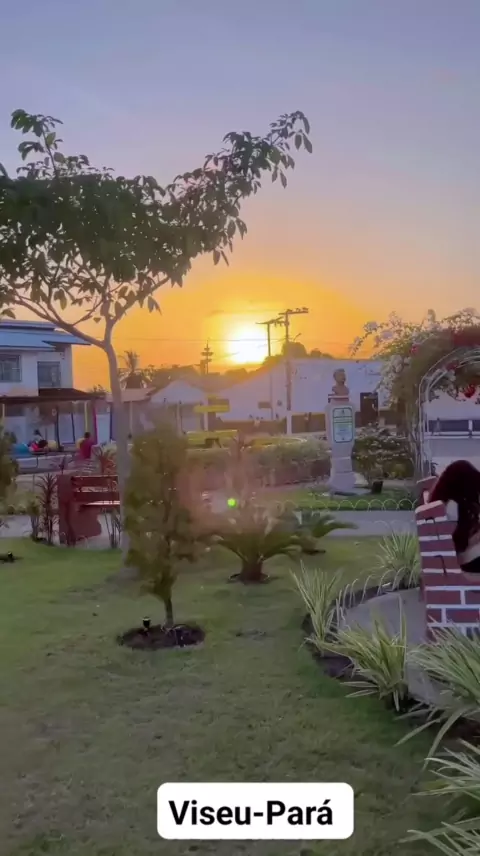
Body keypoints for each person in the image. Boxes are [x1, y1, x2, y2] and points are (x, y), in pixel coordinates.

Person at [430, 460, 480, 572]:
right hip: (463, 562)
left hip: (456, 557)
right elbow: (461, 543)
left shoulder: (442, 504)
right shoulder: (452, 509)